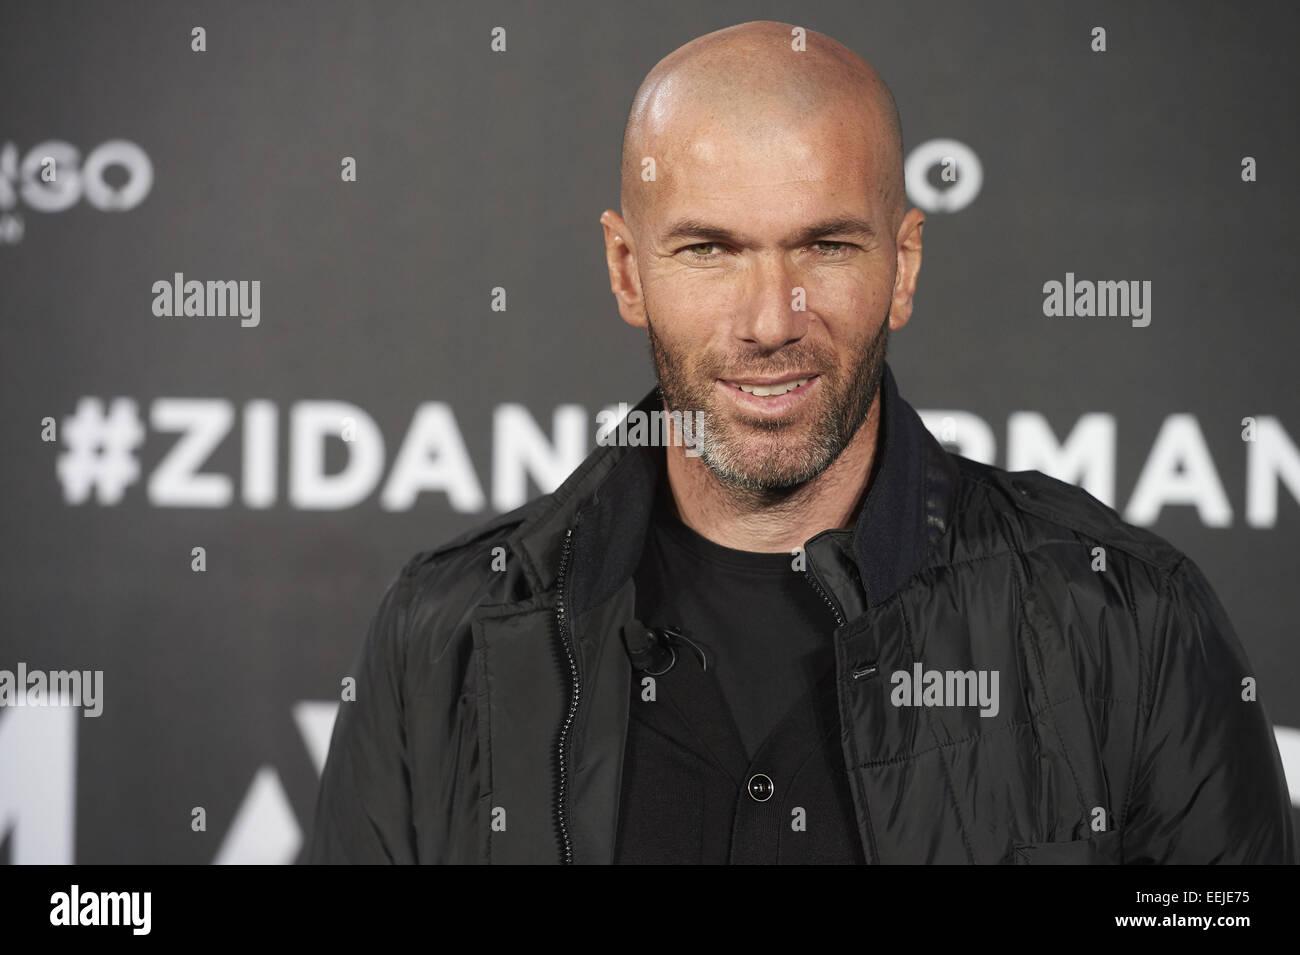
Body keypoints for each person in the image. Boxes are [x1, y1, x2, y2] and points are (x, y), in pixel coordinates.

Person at [306, 20, 1294, 864]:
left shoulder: (1127, 621)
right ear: (625, 268)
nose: (770, 319)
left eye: (826, 245)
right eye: (709, 249)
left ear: (902, 265)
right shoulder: (444, 640)